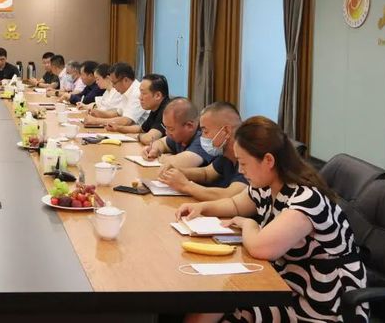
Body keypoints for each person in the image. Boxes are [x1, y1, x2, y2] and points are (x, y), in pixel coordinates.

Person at [178, 116, 368, 323]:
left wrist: (249, 224)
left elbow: (260, 248)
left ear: (268, 160)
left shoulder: (306, 200)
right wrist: (202, 207)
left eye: (244, 163)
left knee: (223, 305)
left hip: (321, 301)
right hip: (284, 285)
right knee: (214, 302)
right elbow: (235, 204)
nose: (240, 170)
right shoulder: (267, 186)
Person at [157, 101, 247, 201]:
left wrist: (185, 185)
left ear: (226, 131)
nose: (202, 137)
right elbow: (206, 174)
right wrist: (177, 171)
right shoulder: (225, 154)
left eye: (205, 131)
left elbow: (229, 196)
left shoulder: (248, 158)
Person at [142, 97, 211, 168]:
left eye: (171, 129)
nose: (166, 133)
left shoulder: (204, 138)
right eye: (166, 127)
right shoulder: (180, 136)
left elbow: (183, 162)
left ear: (189, 126)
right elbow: (162, 142)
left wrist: (166, 158)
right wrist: (154, 149)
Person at [83, 63, 146, 128]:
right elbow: (117, 113)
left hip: (138, 132)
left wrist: (96, 121)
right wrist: (98, 113)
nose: (113, 86)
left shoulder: (137, 92)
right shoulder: (126, 91)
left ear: (125, 80)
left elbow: (126, 121)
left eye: (114, 83)